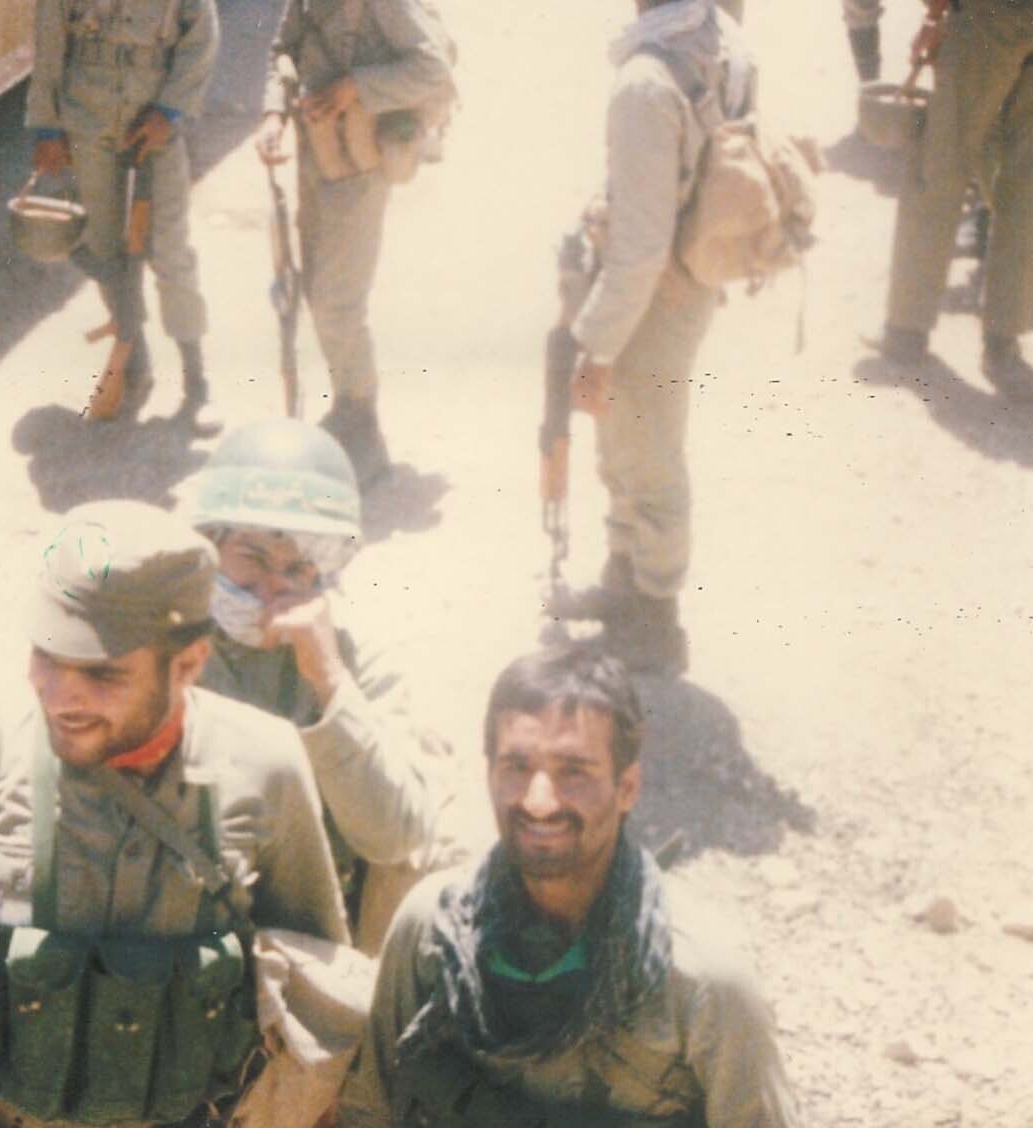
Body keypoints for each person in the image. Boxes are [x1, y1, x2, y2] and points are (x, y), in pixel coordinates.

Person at [0, 499, 349, 1128]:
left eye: (102, 674)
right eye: (47, 657)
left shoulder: (265, 767)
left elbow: (316, 990)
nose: (62, 697)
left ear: (189, 664)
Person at [338, 644, 801, 1127]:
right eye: (517, 767)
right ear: (489, 774)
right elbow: (369, 1109)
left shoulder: (702, 979)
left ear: (627, 788)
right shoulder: (435, 931)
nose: (539, 802)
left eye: (573, 771)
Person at [186, 418, 473, 952]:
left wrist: (329, 681)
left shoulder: (353, 652)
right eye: (252, 558)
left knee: (437, 843)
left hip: (318, 914)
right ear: (209, 545)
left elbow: (394, 837)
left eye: (297, 569)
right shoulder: (168, 634)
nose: (271, 588)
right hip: (195, 906)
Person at [549, 0, 757, 675]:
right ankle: (624, 580)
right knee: (628, 443)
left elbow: (639, 251)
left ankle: (655, 617)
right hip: (688, 275)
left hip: (652, 294)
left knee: (648, 455)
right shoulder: (716, 35)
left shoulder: (646, 80)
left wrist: (596, 348)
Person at [254, 0, 455, 488]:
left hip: (360, 165)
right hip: (317, 155)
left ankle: (363, 426)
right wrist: (274, 113)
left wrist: (356, 88)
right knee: (318, 294)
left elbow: (432, 68)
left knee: (338, 304)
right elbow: (283, 50)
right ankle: (347, 405)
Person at [28, 0, 220, 427]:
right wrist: (47, 128)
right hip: (88, 121)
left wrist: (169, 111)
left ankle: (196, 382)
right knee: (105, 249)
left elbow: (202, 38)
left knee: (170, 250)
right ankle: (133, 362)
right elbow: (49, 47)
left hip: (156, 126)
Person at [875, 0, 1033, 402]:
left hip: (987, 18)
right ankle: (1003, 345)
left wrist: (934, 15)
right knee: (1025, 187)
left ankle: (907, 328)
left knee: (941, 164)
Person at [844, 0, 883, 81]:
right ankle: (869, 82)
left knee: (872, 61)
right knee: (863, 62)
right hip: (857, 27)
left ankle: (872, 82)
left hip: (869, 26)